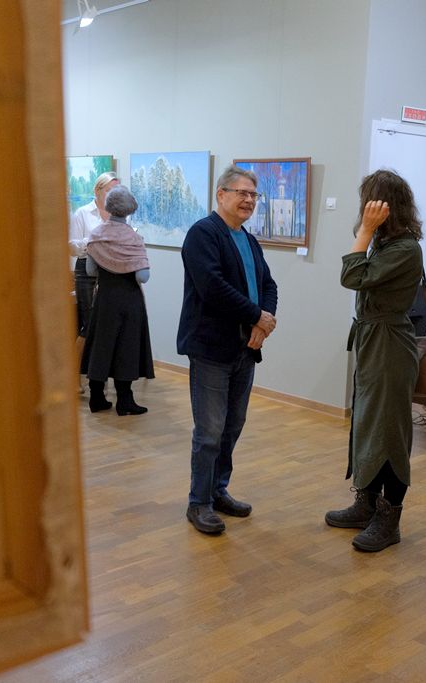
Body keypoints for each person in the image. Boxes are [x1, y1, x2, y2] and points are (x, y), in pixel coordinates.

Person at [325, 169, 424, 552]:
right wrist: (370, 234)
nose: (364, 209)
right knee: (368, 426)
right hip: (373, 343)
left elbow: (351, 277)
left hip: (389, 347)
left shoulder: (405, 249)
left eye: (370, 202)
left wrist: (365, 231)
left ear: (385, 206)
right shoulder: (388, 245)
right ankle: (365, 504)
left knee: (389, 433)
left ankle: (389, 519)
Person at [177, 166, 278, 535]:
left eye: (253, 195)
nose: (248, 200)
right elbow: (212, 287)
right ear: (221, 195)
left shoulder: (248, 240)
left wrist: (262, 322)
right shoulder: (203, 234)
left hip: (245, 349)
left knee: (232, 426)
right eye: (241, 193)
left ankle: (218, 490)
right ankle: (198, 502)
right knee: (209, 432)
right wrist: (256, 316)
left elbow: (268, 284)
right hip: (211, 348)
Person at [80, 185, 155, 415]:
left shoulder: (97, 235)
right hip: (129, 300)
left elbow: (91, 271)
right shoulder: (134, 238)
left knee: (100, 346)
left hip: (104, 299)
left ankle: (96, 397)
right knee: (127, 347)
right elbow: (143, 276)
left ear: (109, 206)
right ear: (130, 208)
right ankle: (125, 400)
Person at [70, 171, 120, 392]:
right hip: (87, 271)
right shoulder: (82, 213)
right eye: (109, 190)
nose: (113, 195)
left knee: (107, 325)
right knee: (89, 325)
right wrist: (94, 241)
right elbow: (72, 246)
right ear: (98, 191)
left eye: (117, 191)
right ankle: (73, 376)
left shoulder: (120, 214)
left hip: (112, 270)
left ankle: (99, 378)